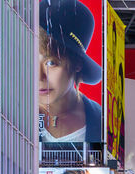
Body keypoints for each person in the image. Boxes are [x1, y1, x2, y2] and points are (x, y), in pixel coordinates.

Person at [38, 0, 103, 145]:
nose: (38, 77)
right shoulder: (9, 116)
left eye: (51, 63)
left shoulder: (103, 124)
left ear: (77, 64)